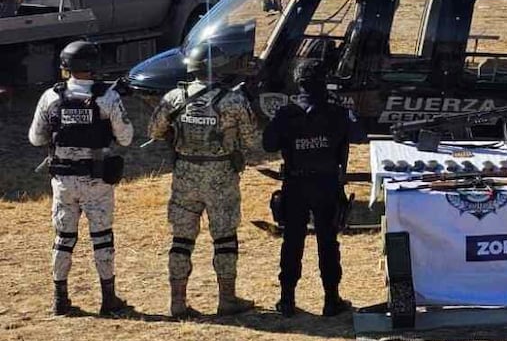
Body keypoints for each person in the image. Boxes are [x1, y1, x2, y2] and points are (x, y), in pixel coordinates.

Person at [148, 43, 258, 317]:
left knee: (181, 240)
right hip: (221, 177)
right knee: (225, 238)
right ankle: (227, 298)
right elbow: (253, 141)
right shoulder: (233, 101)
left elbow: (154, 130)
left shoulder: (175, 97)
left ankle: (177, 301)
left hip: (185, 176)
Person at [28, 40, 134, 316]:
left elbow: (35, 137)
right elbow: (126, 137)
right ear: (93, 65)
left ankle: (60, 299)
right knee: (102, 238)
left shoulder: (51, 96)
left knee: (63, 238)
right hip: (97, 181)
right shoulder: (107, 97)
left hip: (63, 181)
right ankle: (108, 299)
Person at [263, 60, 362, 317]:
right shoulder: (337, 112)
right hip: (326, 184)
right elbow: (358, 135)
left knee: (292, 241)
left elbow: (268, 144)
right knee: (328, 242)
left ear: (299, 82)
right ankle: (331, 298)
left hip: (296, 183)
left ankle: (287, 299)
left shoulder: (287, 113)